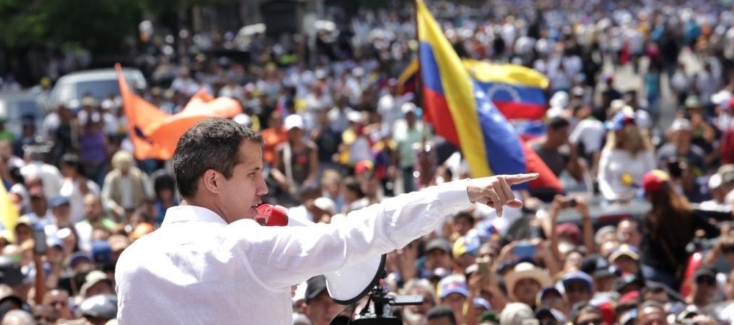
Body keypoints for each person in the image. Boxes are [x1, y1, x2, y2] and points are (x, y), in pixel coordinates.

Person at [115, 118, 537, 324]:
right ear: (212, 181)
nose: (263, 189)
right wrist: (459, 192)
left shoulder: (130, 262)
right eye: (252, 175)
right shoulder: (245, 247)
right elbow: (360, 232)